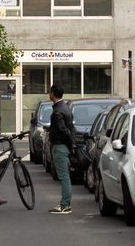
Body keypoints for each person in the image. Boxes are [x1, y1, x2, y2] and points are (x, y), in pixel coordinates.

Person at [48, 84, 74, 214]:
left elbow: (63, 129)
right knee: (65, 175)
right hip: (64, 145)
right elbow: (70, 128)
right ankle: (65, 203)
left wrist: (70, 143)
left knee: (64, 176)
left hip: (59, 145)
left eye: (50, 92)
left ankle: (65, 205)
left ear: (52, 93)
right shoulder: (66, 108)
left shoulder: (57, 111)